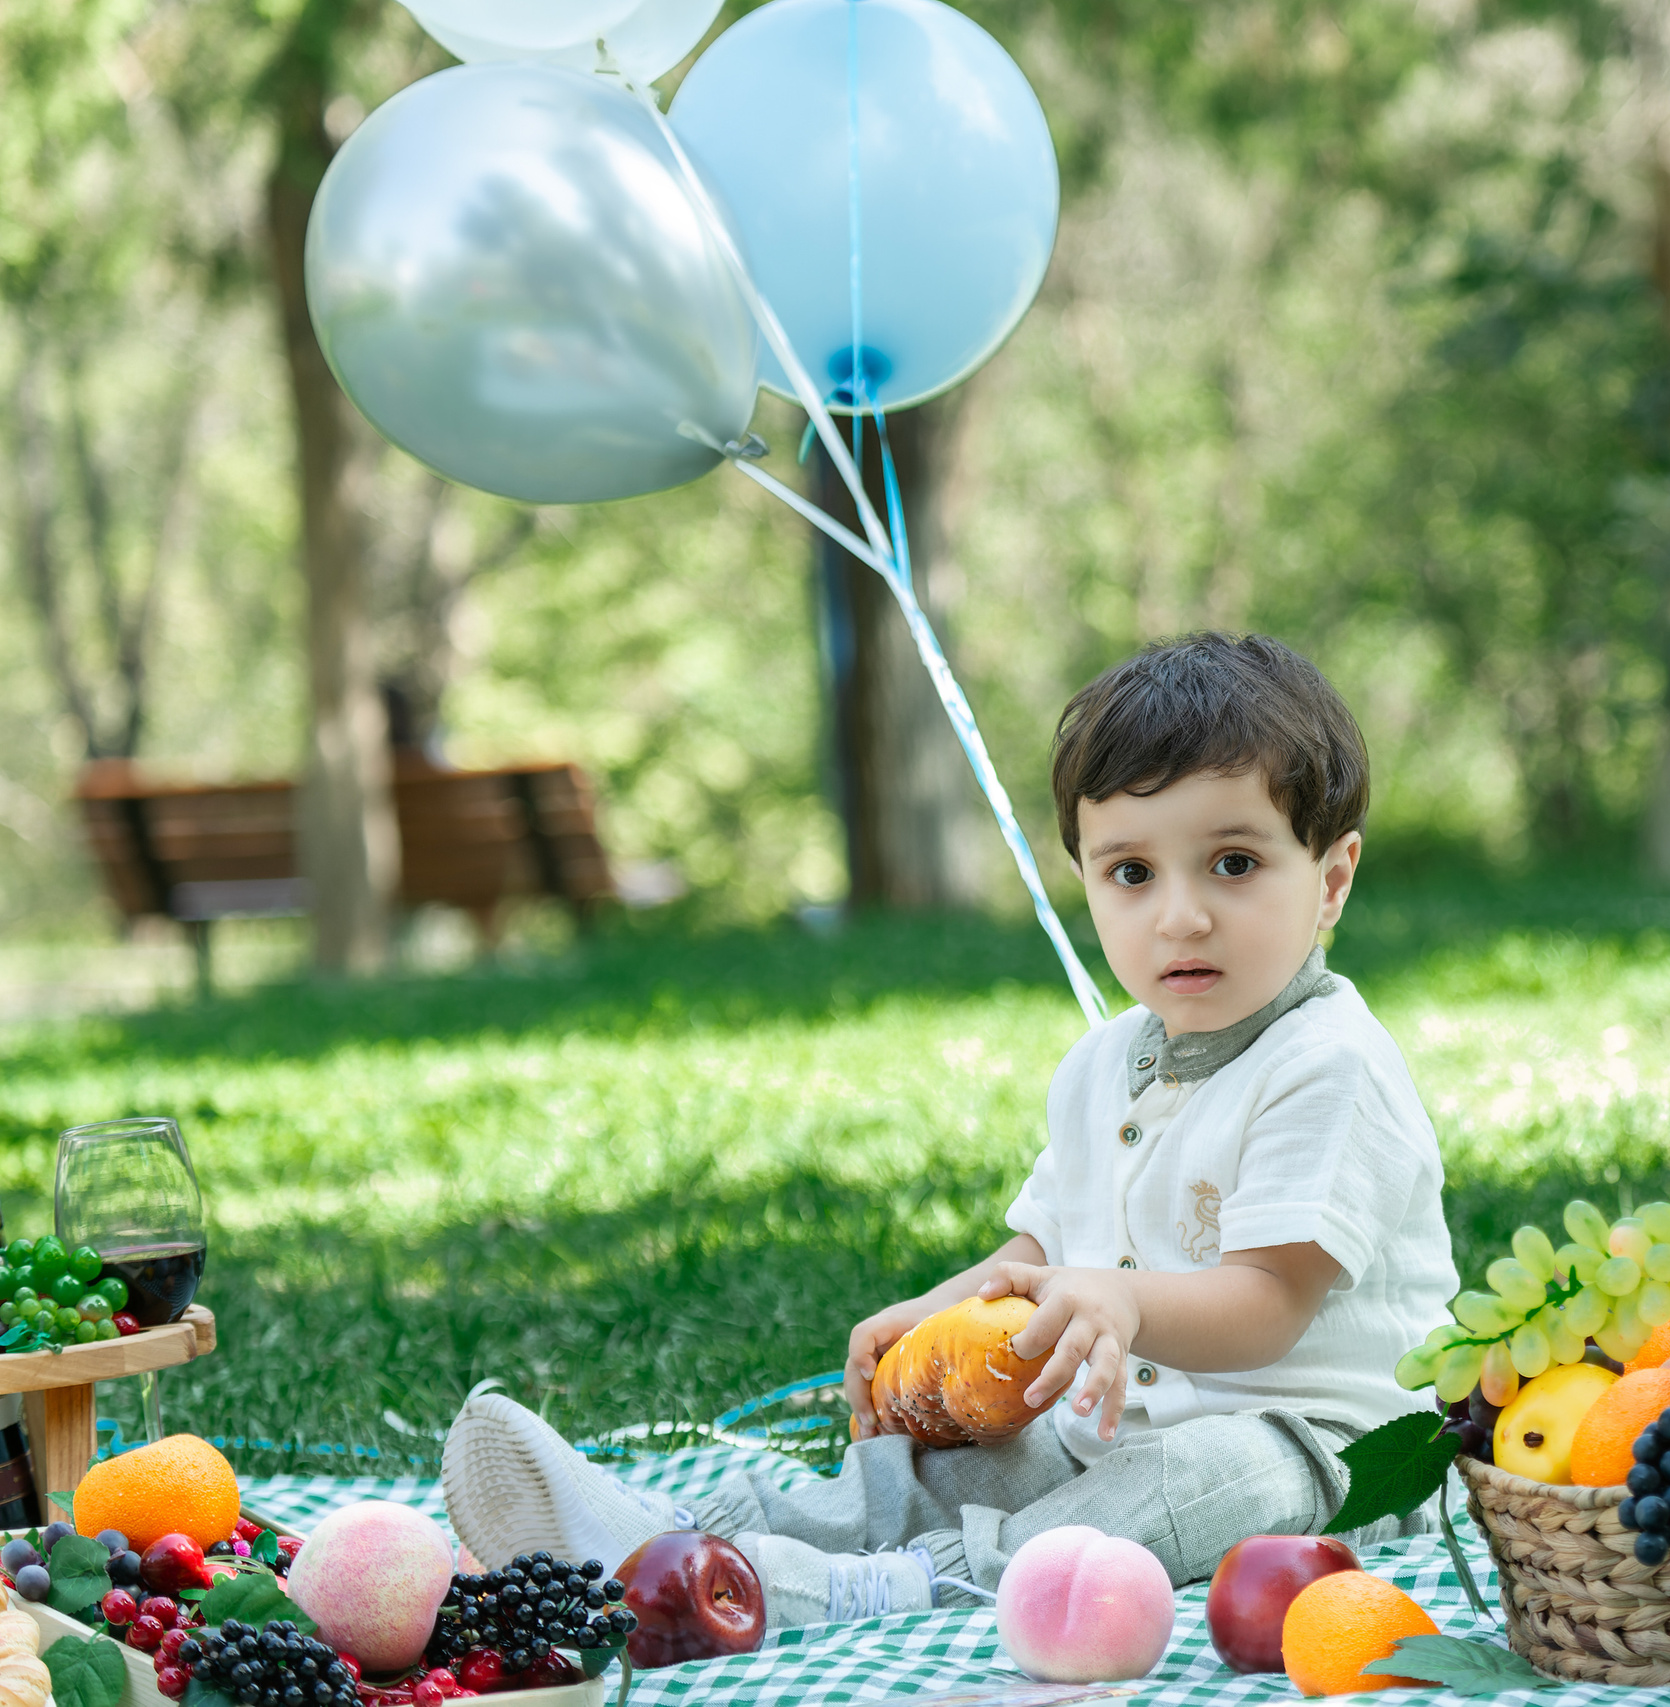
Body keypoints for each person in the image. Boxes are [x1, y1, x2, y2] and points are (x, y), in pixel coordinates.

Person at [442, 634, 1458, 1624]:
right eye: (1131, 874)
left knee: (1205, 1479)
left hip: (1331, 1456)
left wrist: (1117, 1303)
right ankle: (687, 1537)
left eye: (1232, 864)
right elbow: (1043, 1249)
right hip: (1116, 1424)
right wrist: (934, 1310)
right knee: (972, 1456)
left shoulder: (1329, 1065)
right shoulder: (1104, 1065)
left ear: (1330, 880)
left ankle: (900, 1586)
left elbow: (1269, 1302)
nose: (1179, 917)